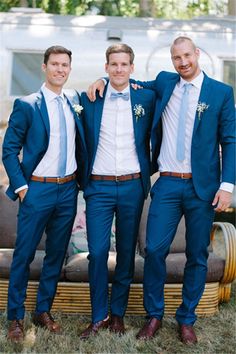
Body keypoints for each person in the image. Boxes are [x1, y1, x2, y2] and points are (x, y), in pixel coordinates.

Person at [87, 36, 235, 345]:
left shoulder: (221, 93)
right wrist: (102, 78)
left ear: (197, 54)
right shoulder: (166, 83)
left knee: (198, 254)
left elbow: (230, 141)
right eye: (176, 58)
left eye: (187, 56)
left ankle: (186, 318)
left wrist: (227, 185)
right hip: (166, 182)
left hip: (202, 187)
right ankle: (154, 315)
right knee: (154, 249)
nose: (183, 62)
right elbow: (125, 77)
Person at [2, 45, 87, 343]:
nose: (60, 69)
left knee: (55, 255)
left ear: (69, 69)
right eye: (55, 64)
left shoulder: (75, 100)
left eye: (65, 65)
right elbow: (9, 150)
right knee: (23, 256)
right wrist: (23, 187)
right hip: (36, 189)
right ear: (44, 66)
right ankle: (15, 318)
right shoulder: (27, 104)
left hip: (67, 190)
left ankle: (43, 310)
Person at [79, 43, 156, 340]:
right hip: (97, 186)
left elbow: (171, 82)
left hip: (132, 185)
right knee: (97, 253)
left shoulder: (146, 97)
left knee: (125, 253)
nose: (119, 69)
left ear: (132, 67)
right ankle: (99, 315)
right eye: (114, 64)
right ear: (107, 66)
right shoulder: (90, 99)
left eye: (124, 64)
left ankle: (118, 315)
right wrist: (99, 80)